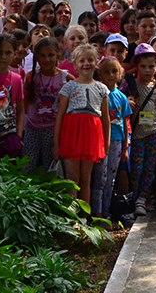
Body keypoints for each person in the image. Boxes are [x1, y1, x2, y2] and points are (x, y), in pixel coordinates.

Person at [54, 44, 110, 211]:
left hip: (92, 135)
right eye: (82, 60)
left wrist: (106, 143)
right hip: (72, 134)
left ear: (96, 62)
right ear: (75, 64)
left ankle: (85, 216)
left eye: (90, 60)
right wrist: (56, 144)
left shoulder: (101, 89)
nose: (86, 63)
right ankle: (73, 217)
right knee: (72, 178)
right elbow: (60, 117)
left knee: (86, 178)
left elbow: (105, 118)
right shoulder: (69, 87)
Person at [129, 44, 156, 216]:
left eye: (151, 66)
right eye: (143, 66)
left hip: (154, 131)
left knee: (149, 168)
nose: (147, 70)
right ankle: (133, 196)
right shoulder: (132, 87)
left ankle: (142, 199)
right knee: (136, 168)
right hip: (137, 133)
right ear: (136, 66)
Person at [24, 37, 70, 172]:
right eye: (42, 55)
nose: (47, 59)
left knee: (49, 168)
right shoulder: (31, 76)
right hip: (32, 128)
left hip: (53, 130)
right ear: (36, 57)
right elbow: (25, 99)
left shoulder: (65, 77)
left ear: (58, 55)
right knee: (28, 166)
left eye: (51, 55)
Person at [94, 58, 132, 221]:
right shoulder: (98, 94)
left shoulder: (122, 97)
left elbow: (124, 123)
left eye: (114, 71)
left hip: (117, 141)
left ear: (120, 74)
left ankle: (107, 211)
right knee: (99, 178)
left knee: (111, 178)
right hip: (100, 141)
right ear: (100, 74)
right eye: (106, 72)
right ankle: (97, 212)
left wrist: (125, 149)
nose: (111, 75)